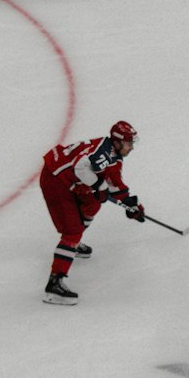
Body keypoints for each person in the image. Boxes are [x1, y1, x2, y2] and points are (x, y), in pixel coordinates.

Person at [39, 120, 145, 304]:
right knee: (72, 231)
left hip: (70, 179)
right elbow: (81, 168)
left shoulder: (112, 155)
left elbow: (113, 183)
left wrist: (130, 204)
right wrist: (98, 185)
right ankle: (54, 286)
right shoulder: (102, 152)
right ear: (118, 142)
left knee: (93, 203)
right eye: (129, 143)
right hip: (56, 180)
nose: (131, 148)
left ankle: (73, 245)